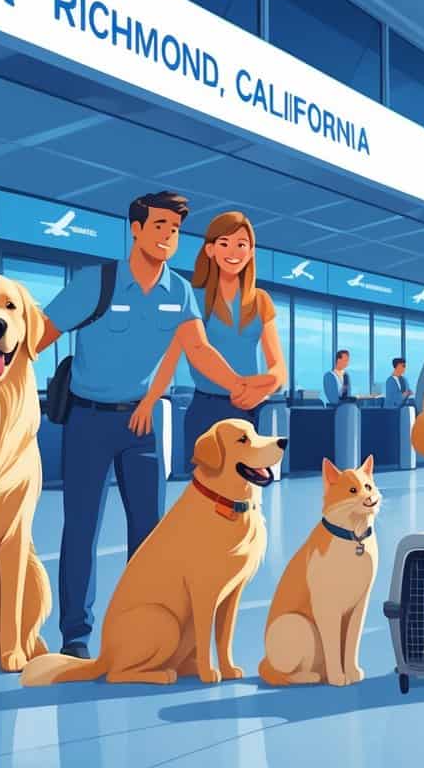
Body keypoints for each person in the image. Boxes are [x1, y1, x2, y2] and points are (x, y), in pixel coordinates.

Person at [37, 191, 257, 659]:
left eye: (174, 230)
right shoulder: (96, 283)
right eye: (158, 226)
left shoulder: (177, 291)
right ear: (135, 230)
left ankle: (142, 624)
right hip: (87, 421)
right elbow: (40, 334)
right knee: (80, 529)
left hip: (141, 425)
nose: (166, 236)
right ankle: (76, 635)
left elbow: (198, 350)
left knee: (151, 534)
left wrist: (238, 384)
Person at [140, 211, 287, 469]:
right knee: (205, 495)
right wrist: (149, 400)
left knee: (243, 495)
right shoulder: (191, 297)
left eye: (241, 244)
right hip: (207, 410)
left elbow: (279, 368)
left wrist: (265, 385)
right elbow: (173, 356)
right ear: (210, 250)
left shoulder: (261, 300)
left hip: (247, 413)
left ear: (251, 251)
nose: (234, 251)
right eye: (224, 243)